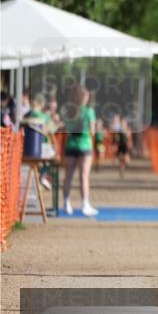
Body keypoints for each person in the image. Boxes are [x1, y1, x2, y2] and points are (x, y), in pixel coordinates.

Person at [62, 85, 100, 216]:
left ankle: (66, 203)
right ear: (85, 97)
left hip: (71, 145)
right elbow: (92, 131)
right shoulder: (89, 111)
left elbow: (66, 128)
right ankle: (85, 204)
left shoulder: (69, 111)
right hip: (84, 145)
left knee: (68, 176)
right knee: (84, 176)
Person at [110, 113, 132, 179]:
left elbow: (129, 138)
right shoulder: (118, 130)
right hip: (120, 146)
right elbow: (115, 138)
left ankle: (125, 163)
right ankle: (121, 170)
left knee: (126, 160)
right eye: (122, 122)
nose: (123, 123)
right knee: (120, 160)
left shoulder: (127, 129)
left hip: (125, 146)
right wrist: (115, 143)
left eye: (124, 122)